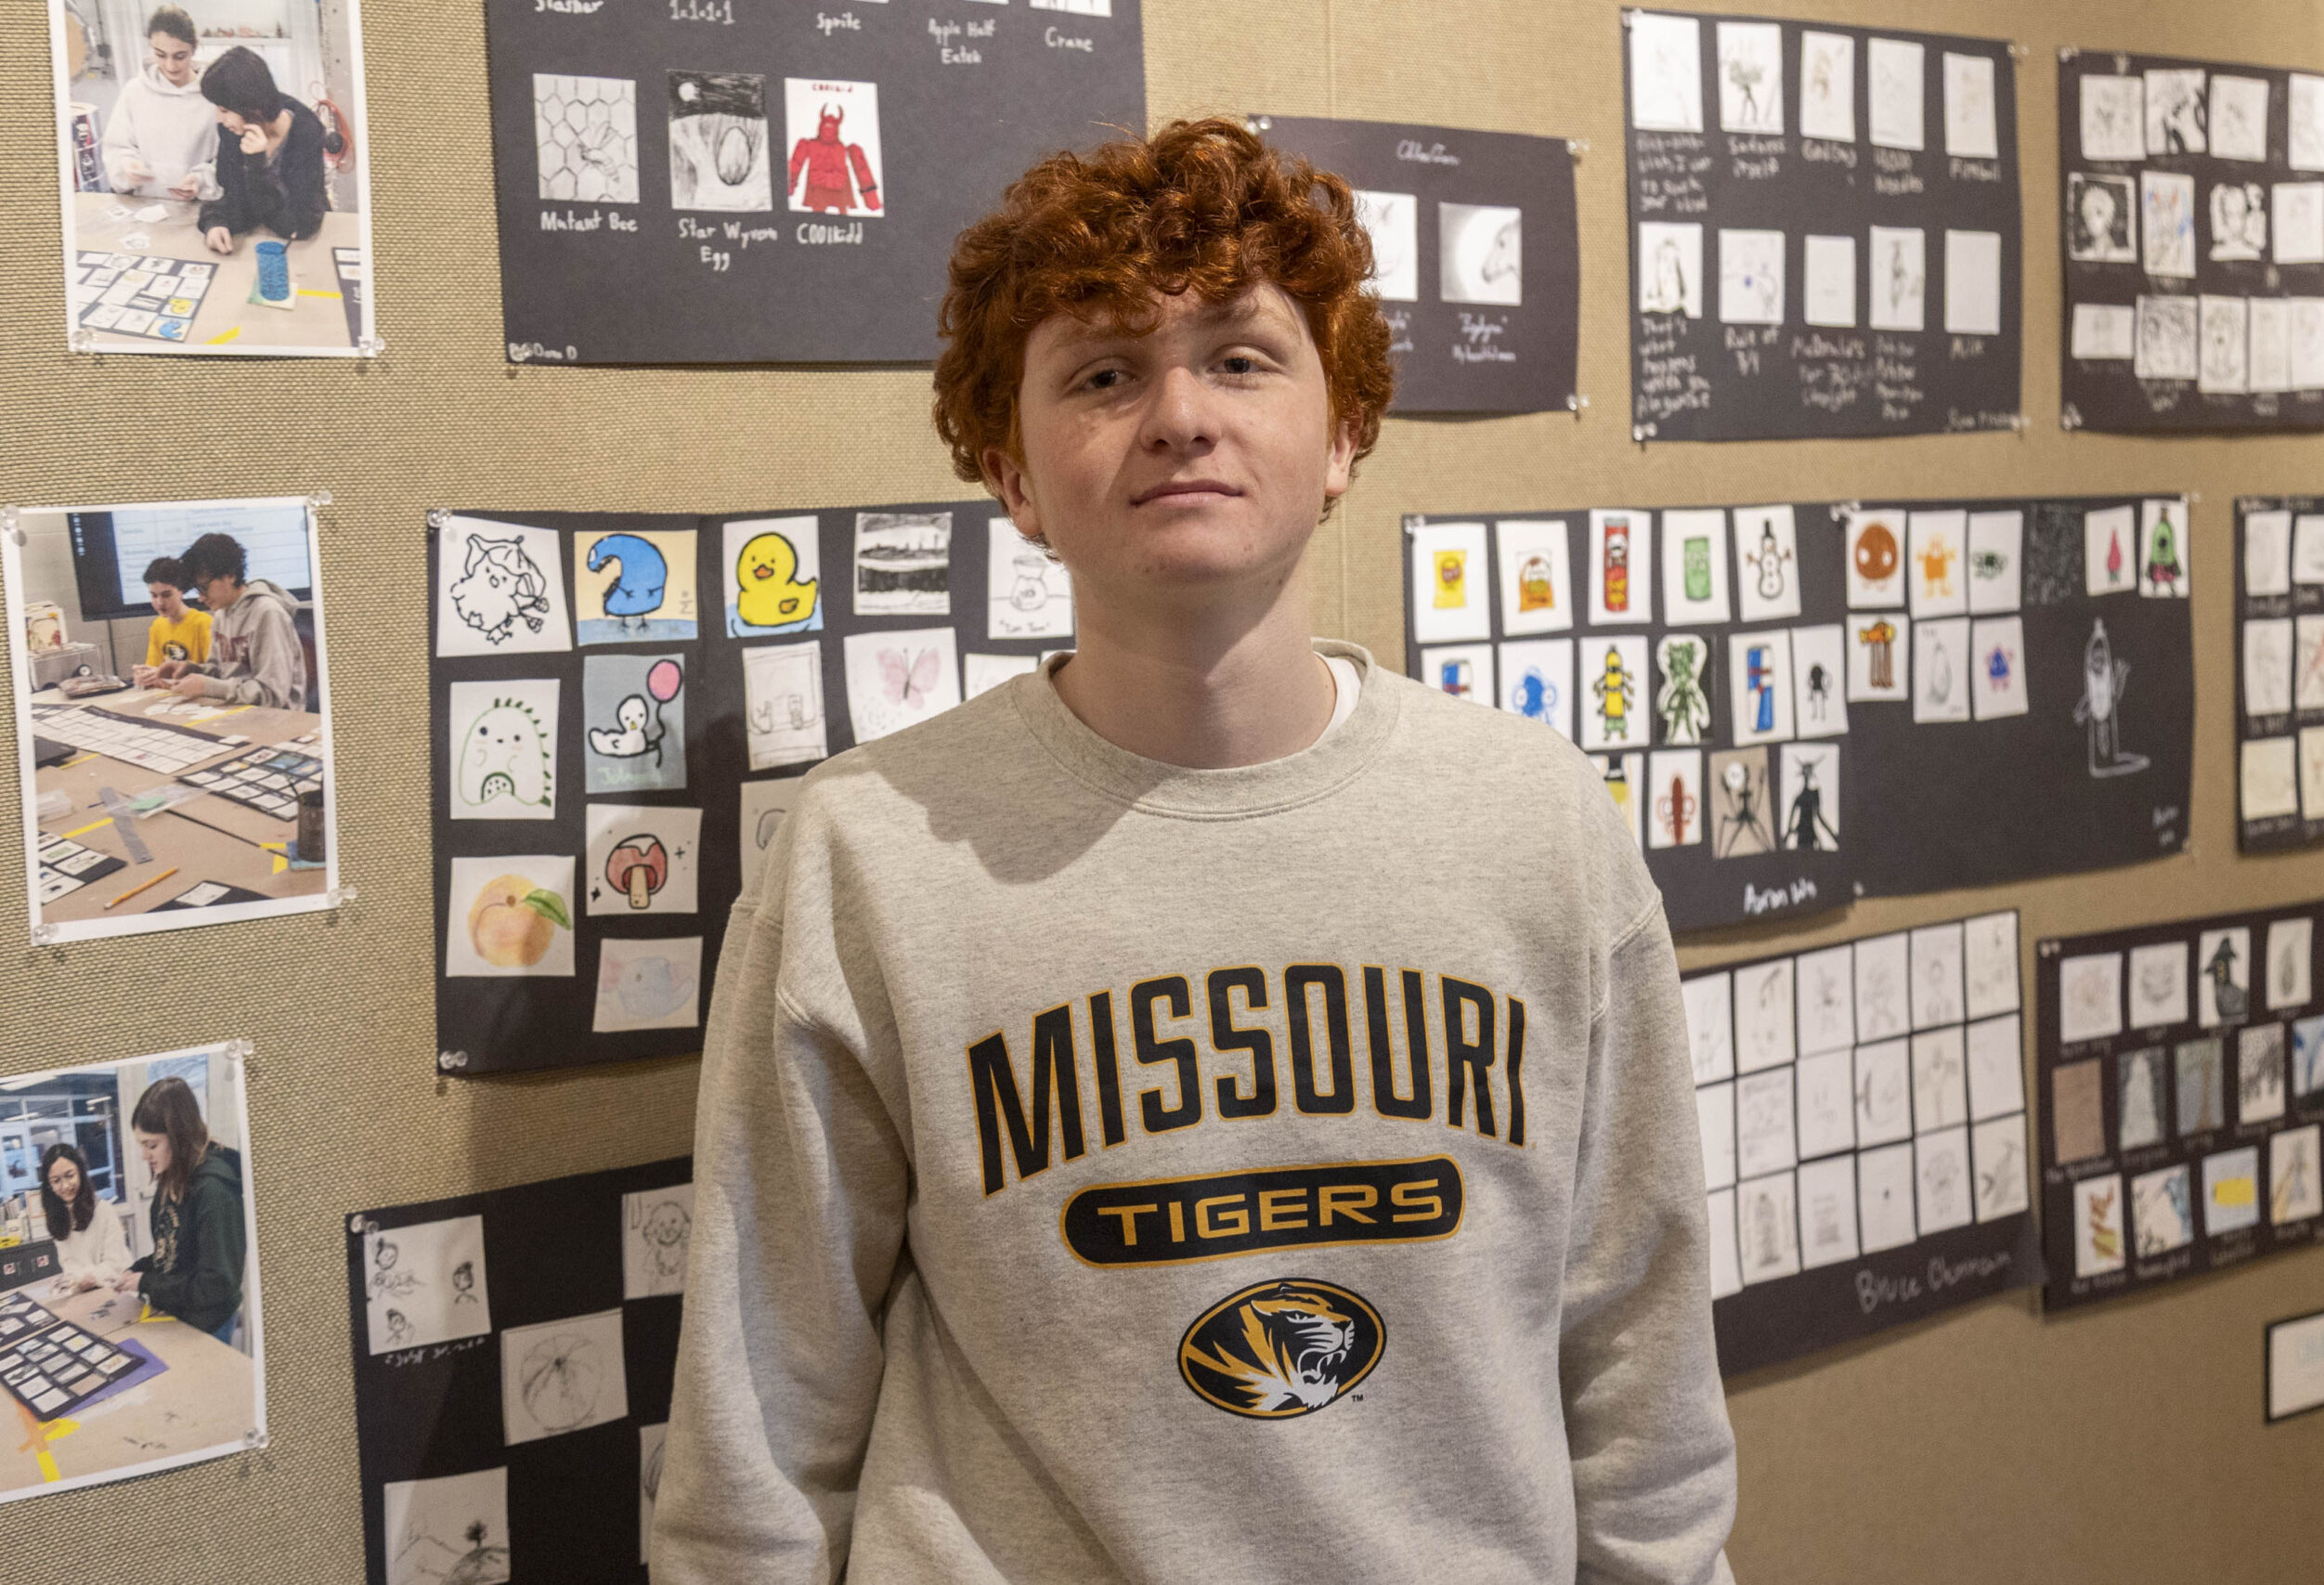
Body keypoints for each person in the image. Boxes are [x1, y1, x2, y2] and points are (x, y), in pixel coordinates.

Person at [654, 120, 1736, 1585]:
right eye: (1103, 374)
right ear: (1012, 474)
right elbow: (760, 1433)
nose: (1178, 414)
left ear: (1344, 433)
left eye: (1239, 357)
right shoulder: (869, 853)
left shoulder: (1539, 823)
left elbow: (1641, 1369)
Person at [117, 1076, 246, 1344]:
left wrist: (146, 1282)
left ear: (179, 1138)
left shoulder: (214, 1191)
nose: (144, 1156)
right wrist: (137, 1270)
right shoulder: (172, 1176)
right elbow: (172, 1253)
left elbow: (215, 1284)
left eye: (151, 1145)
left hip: (208, 1322)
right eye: (141, 1145)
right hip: (179, 1314)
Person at [140, 531, 306, 709]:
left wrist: (208, 686)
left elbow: (272, 695)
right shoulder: (221, 614)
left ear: (230, 575)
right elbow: (220, 673)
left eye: (204, 588)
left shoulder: (267, 613)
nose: (201, 598)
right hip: (239, 711)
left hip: (278, 717)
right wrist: (191, 670)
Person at [195, 45, 327, 255]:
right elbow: (234, 200)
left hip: (304, 247)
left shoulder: (306, 131)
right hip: (255, 243)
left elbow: (297, 225)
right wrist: (216, 222)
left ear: (251, 107)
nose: (219, 119)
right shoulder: (233, 130)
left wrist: (257, 166)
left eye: (224, 110)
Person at [99, 7, 218, 201]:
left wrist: (201, 179)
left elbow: (227, 159)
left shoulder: (212, 94)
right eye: (161, 55)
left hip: (199, 208)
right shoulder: (135, 92)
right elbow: (116, 148)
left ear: (194, 47)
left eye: (180, 56)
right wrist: (128, 166)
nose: (170, 66)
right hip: (146, 205)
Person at [38, 1143, 131, 1293]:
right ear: (49, 1185)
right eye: (56, 1181)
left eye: (70, 1176)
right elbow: (68, 1264)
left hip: (116, 1288)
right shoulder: (57, 1216)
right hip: (84, 1290)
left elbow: (114, 1263)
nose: (65, 1186)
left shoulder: (104, 1210)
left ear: (80, 1173)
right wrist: (73, 1280)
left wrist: (84, 1278)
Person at [136, 554, 212, 671]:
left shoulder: (204, 623)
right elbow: (154, 668)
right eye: (154, 595)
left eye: (166, 595)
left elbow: (214, 671)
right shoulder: (157, 626)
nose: (160, 603)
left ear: (181, 591)